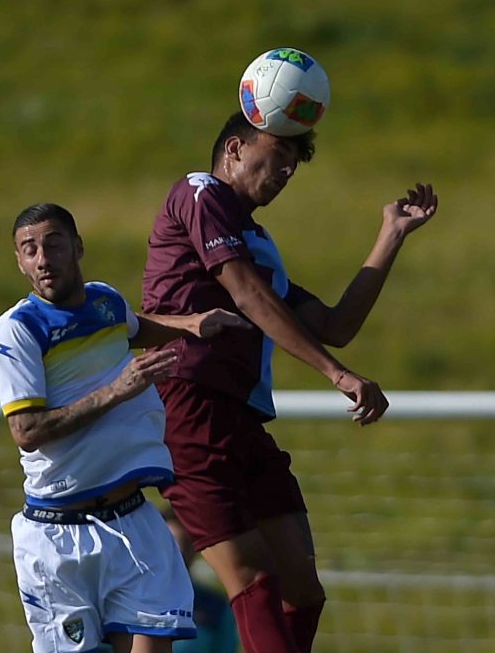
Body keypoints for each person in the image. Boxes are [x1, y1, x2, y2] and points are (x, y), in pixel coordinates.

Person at [141, 112, 438, 652]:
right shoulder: (199, 191)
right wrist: (336, 373)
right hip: (188, 403)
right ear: (234, 149)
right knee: (252, 579)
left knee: (301, 585)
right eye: (278, 154)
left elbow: (335, 326)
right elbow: (249, 297)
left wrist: (391, 234)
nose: (287, 171)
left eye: (294, 162)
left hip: (240, 417)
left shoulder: (256, 244)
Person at [0, 203, 252, 653]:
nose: (43, 259)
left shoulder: (103, 301)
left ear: (77, 247)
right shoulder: (16, 333)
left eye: (53, 244)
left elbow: (132, 327)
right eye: (30, 250)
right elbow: (27, 430)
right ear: (20, 262)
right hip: (60, 534)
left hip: (132, 521)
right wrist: (117, 390)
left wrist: (191, 324)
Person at [162, 506, 240, 653]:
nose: (179, 551)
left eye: (185, 543)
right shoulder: (131, 598)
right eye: (171, 543)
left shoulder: (217, 607)